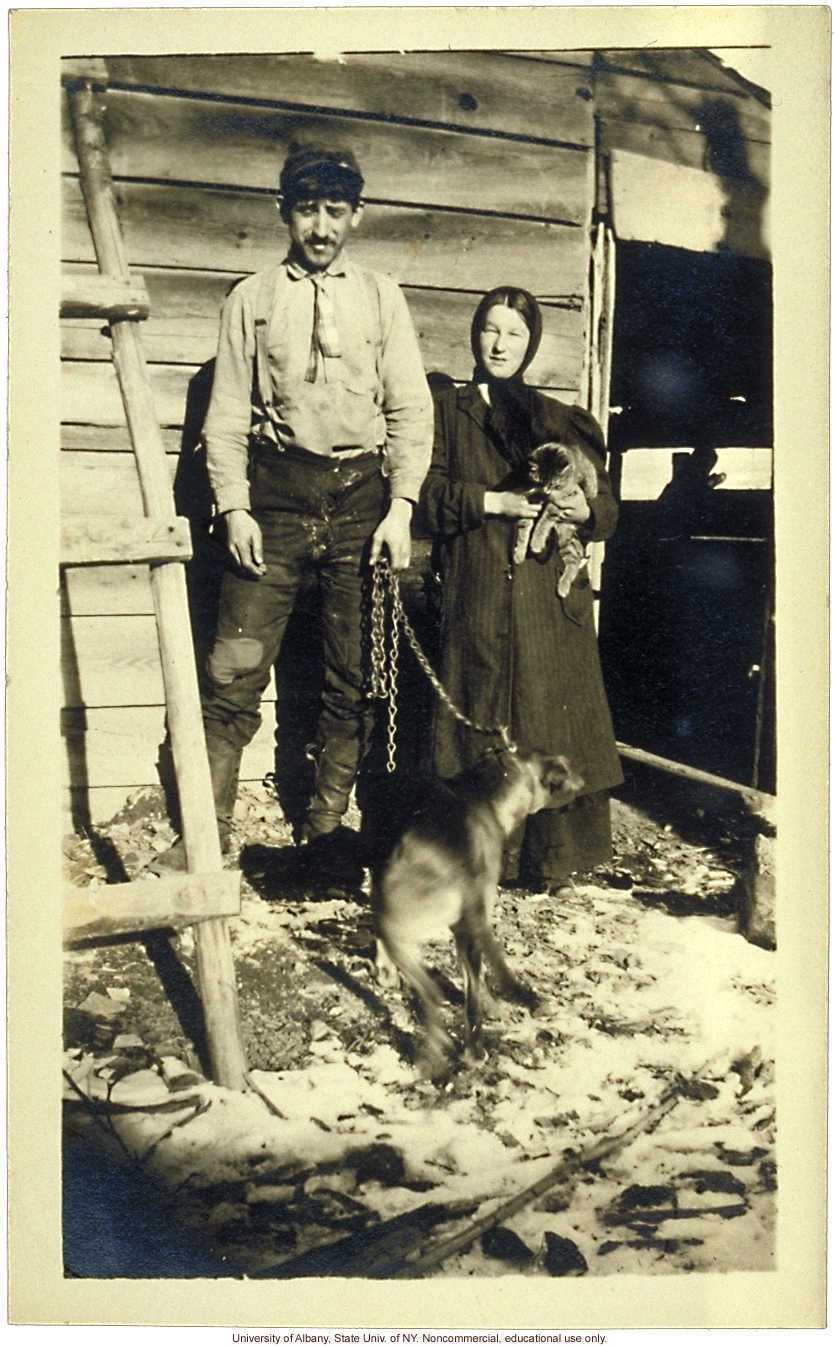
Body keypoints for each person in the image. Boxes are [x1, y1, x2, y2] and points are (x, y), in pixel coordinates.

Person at [156, 143, 433, 869]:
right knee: (232, 673)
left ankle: (323, 832)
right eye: (306, 210)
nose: (319, 226)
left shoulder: (381, 298)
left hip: (359, 504)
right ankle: (202, 843)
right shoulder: (251, 299)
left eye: (334, 211)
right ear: (285, 213)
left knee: (349, 678)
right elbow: (222, 418)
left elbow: (409, 408)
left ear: (356, 216)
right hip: (274, 501)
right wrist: (235, 507)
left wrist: (400, 505)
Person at [417, 286, 623, 891]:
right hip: (476, 587)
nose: (500, 344)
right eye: (490, 329)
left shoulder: (559, 420)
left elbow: (607, 514)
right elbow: (425, 497)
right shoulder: (447, 413)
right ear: (474, 336)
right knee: (476, 719)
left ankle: (548, 863)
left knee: (547, 722)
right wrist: (494, 500)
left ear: (531, 343)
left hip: (547, 603)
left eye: (514, 333)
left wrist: (580, 507)